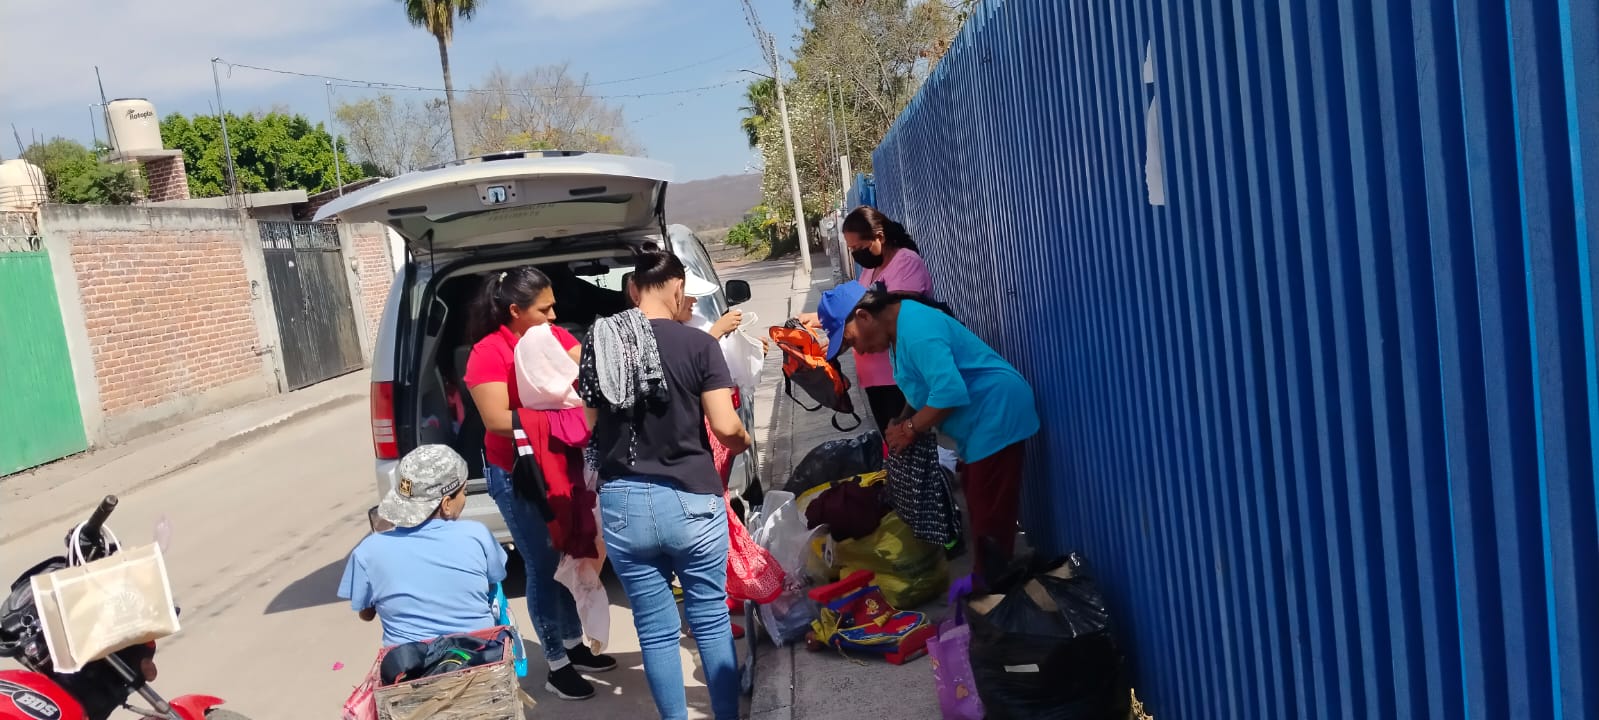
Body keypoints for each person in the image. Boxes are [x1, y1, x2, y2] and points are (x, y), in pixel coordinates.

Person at [581, 250, 752, 720]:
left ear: (635, 289)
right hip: (690, 500)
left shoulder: (602, 342)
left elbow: (588, 424)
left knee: (654, 632)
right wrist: (741, 440)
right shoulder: (698, 345)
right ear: (676, 287)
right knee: (711, 620)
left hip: (623, 504)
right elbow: (724, 426)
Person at [461, 266, 616, 701]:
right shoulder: (488, 352)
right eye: (544, 309)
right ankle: (557, 663)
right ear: (515, 310)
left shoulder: (556, 338)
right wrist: (568, 419)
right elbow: (495, 420)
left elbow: (586, 373)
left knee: (568, 553)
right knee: (543, 567)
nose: (553, 316)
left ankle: (574, 645)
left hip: (560, 467)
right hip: (518, 473)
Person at [818, 282, 1039, 574]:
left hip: (996, 413)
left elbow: (949, 393)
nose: (857, 350)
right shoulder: (898, 329)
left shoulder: (916, 330)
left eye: (850, 341)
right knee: (979, 503)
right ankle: (990, 585)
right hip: (979, 423)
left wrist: (910, 428)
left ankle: (996, 596)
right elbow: (921, 388)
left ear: (863, 316)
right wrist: (901, 419)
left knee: (989, 521)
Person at [338, 445, 507, 647]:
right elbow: (494, 579)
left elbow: (366, 613)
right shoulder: (476, 535)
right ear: (446, 504)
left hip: (407, 665)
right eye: (464, 492)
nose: (464, 499)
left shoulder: (367, 551)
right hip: (479, 655)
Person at [798, 206, 934, 434]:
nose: (855, 254)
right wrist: (820, 321)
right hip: (874, 377)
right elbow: (854, 311)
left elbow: (893, 318)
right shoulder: (870, 270)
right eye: (851, 249)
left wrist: (845, 340)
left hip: (898, 377)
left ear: (879, 237)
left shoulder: (906, 262)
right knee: (891, 442)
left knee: (907, 442)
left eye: (859, 248)